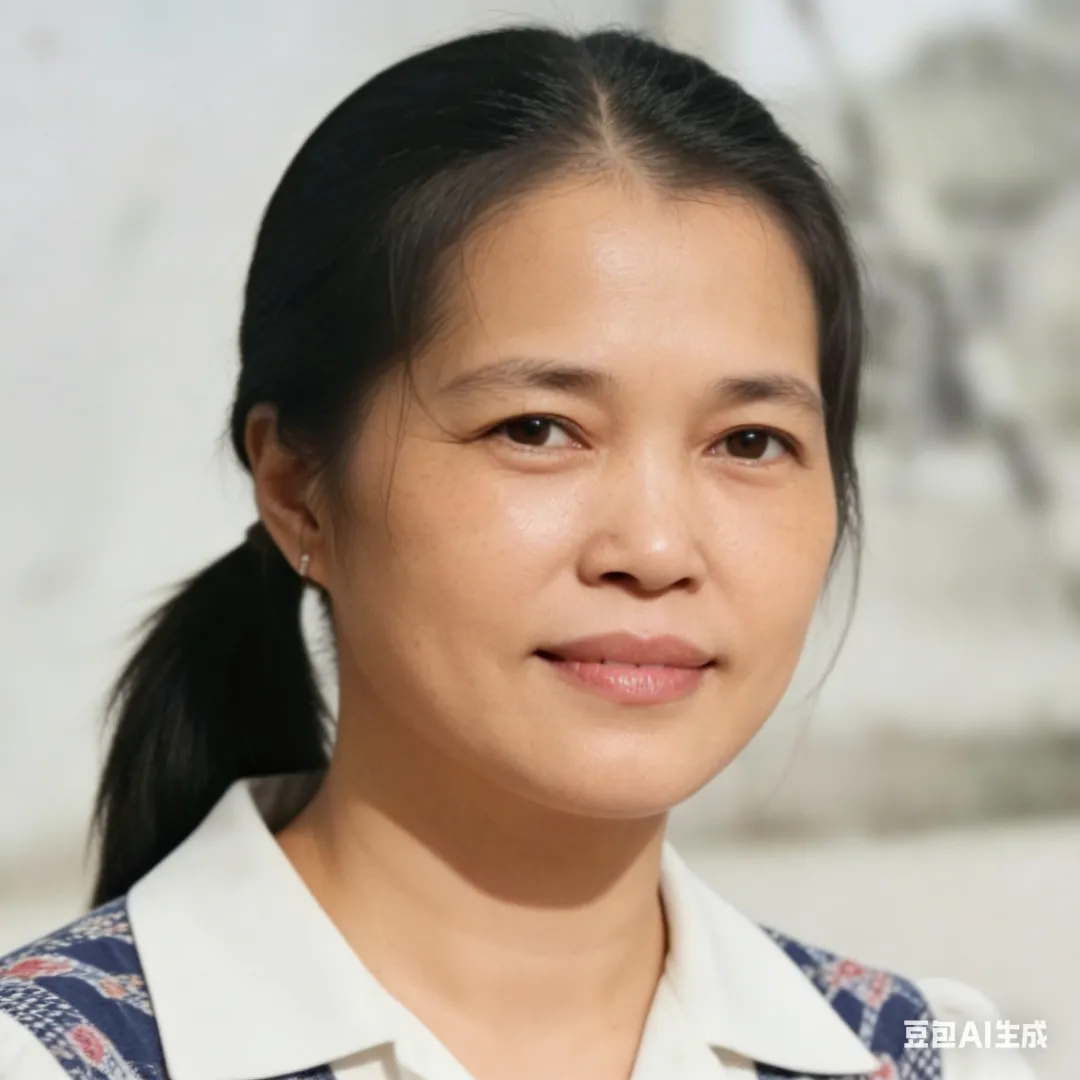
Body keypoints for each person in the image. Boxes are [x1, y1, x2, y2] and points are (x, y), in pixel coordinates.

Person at [0, 23, 1036, 1080]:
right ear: (297, 487)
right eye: (538, 429)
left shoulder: (944, 1052)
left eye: (749, 442)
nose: (655, 549)